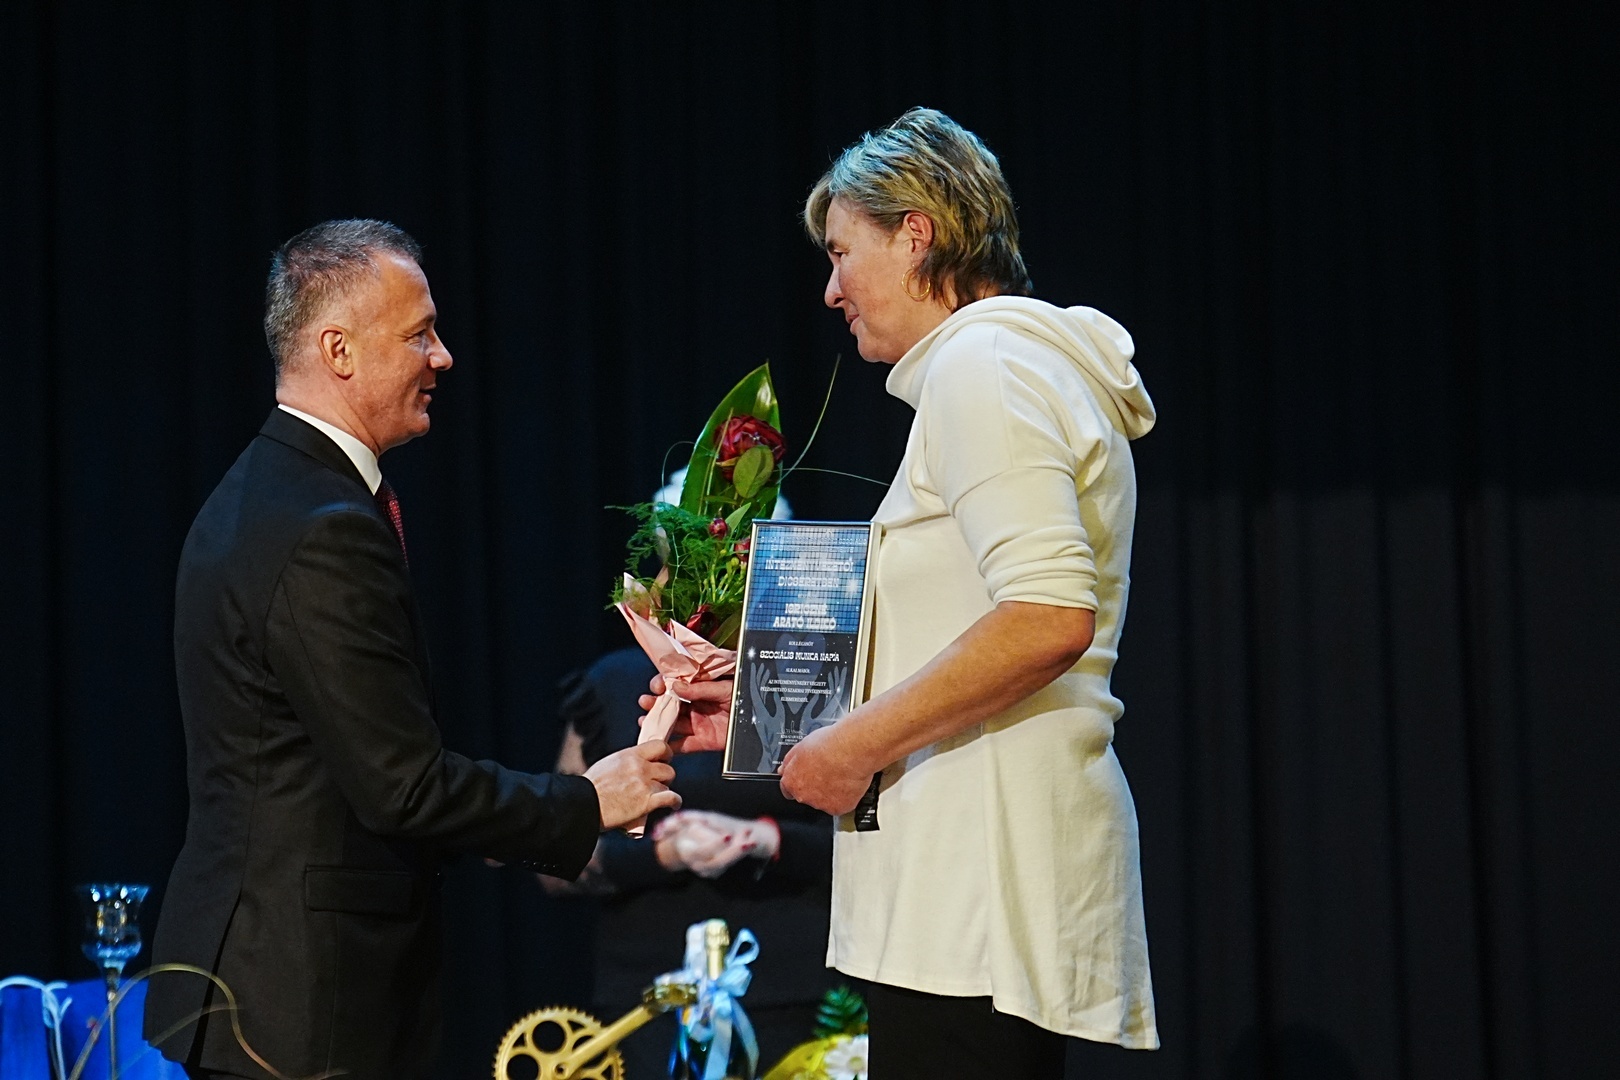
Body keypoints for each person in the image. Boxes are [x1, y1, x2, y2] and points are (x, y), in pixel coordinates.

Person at [650, 109, 1160, 1077]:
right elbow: (967, 622)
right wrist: (768, 713)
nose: (831, 289)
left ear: (916, 234)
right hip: (964, 877)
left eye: (843, 253)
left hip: (976, 887)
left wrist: (850, 747)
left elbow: (1046, 618)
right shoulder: (1001, 368)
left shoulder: (985, 365)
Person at [144, 220, 681, 1080]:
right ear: (339, 350)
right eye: (419, 334)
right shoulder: (318, 526)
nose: (444, 356)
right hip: (302, 1003)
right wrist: (585, 800)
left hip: (271, 982)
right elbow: (402, 786)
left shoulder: (268, 490)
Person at [542, 646, 837, 1077]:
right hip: (649, 999)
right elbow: (556, 856)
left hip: (793, 985)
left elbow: (863, 841)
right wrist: (664, 854)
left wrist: (767, 839)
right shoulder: (616, 681)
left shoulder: (801, 666)